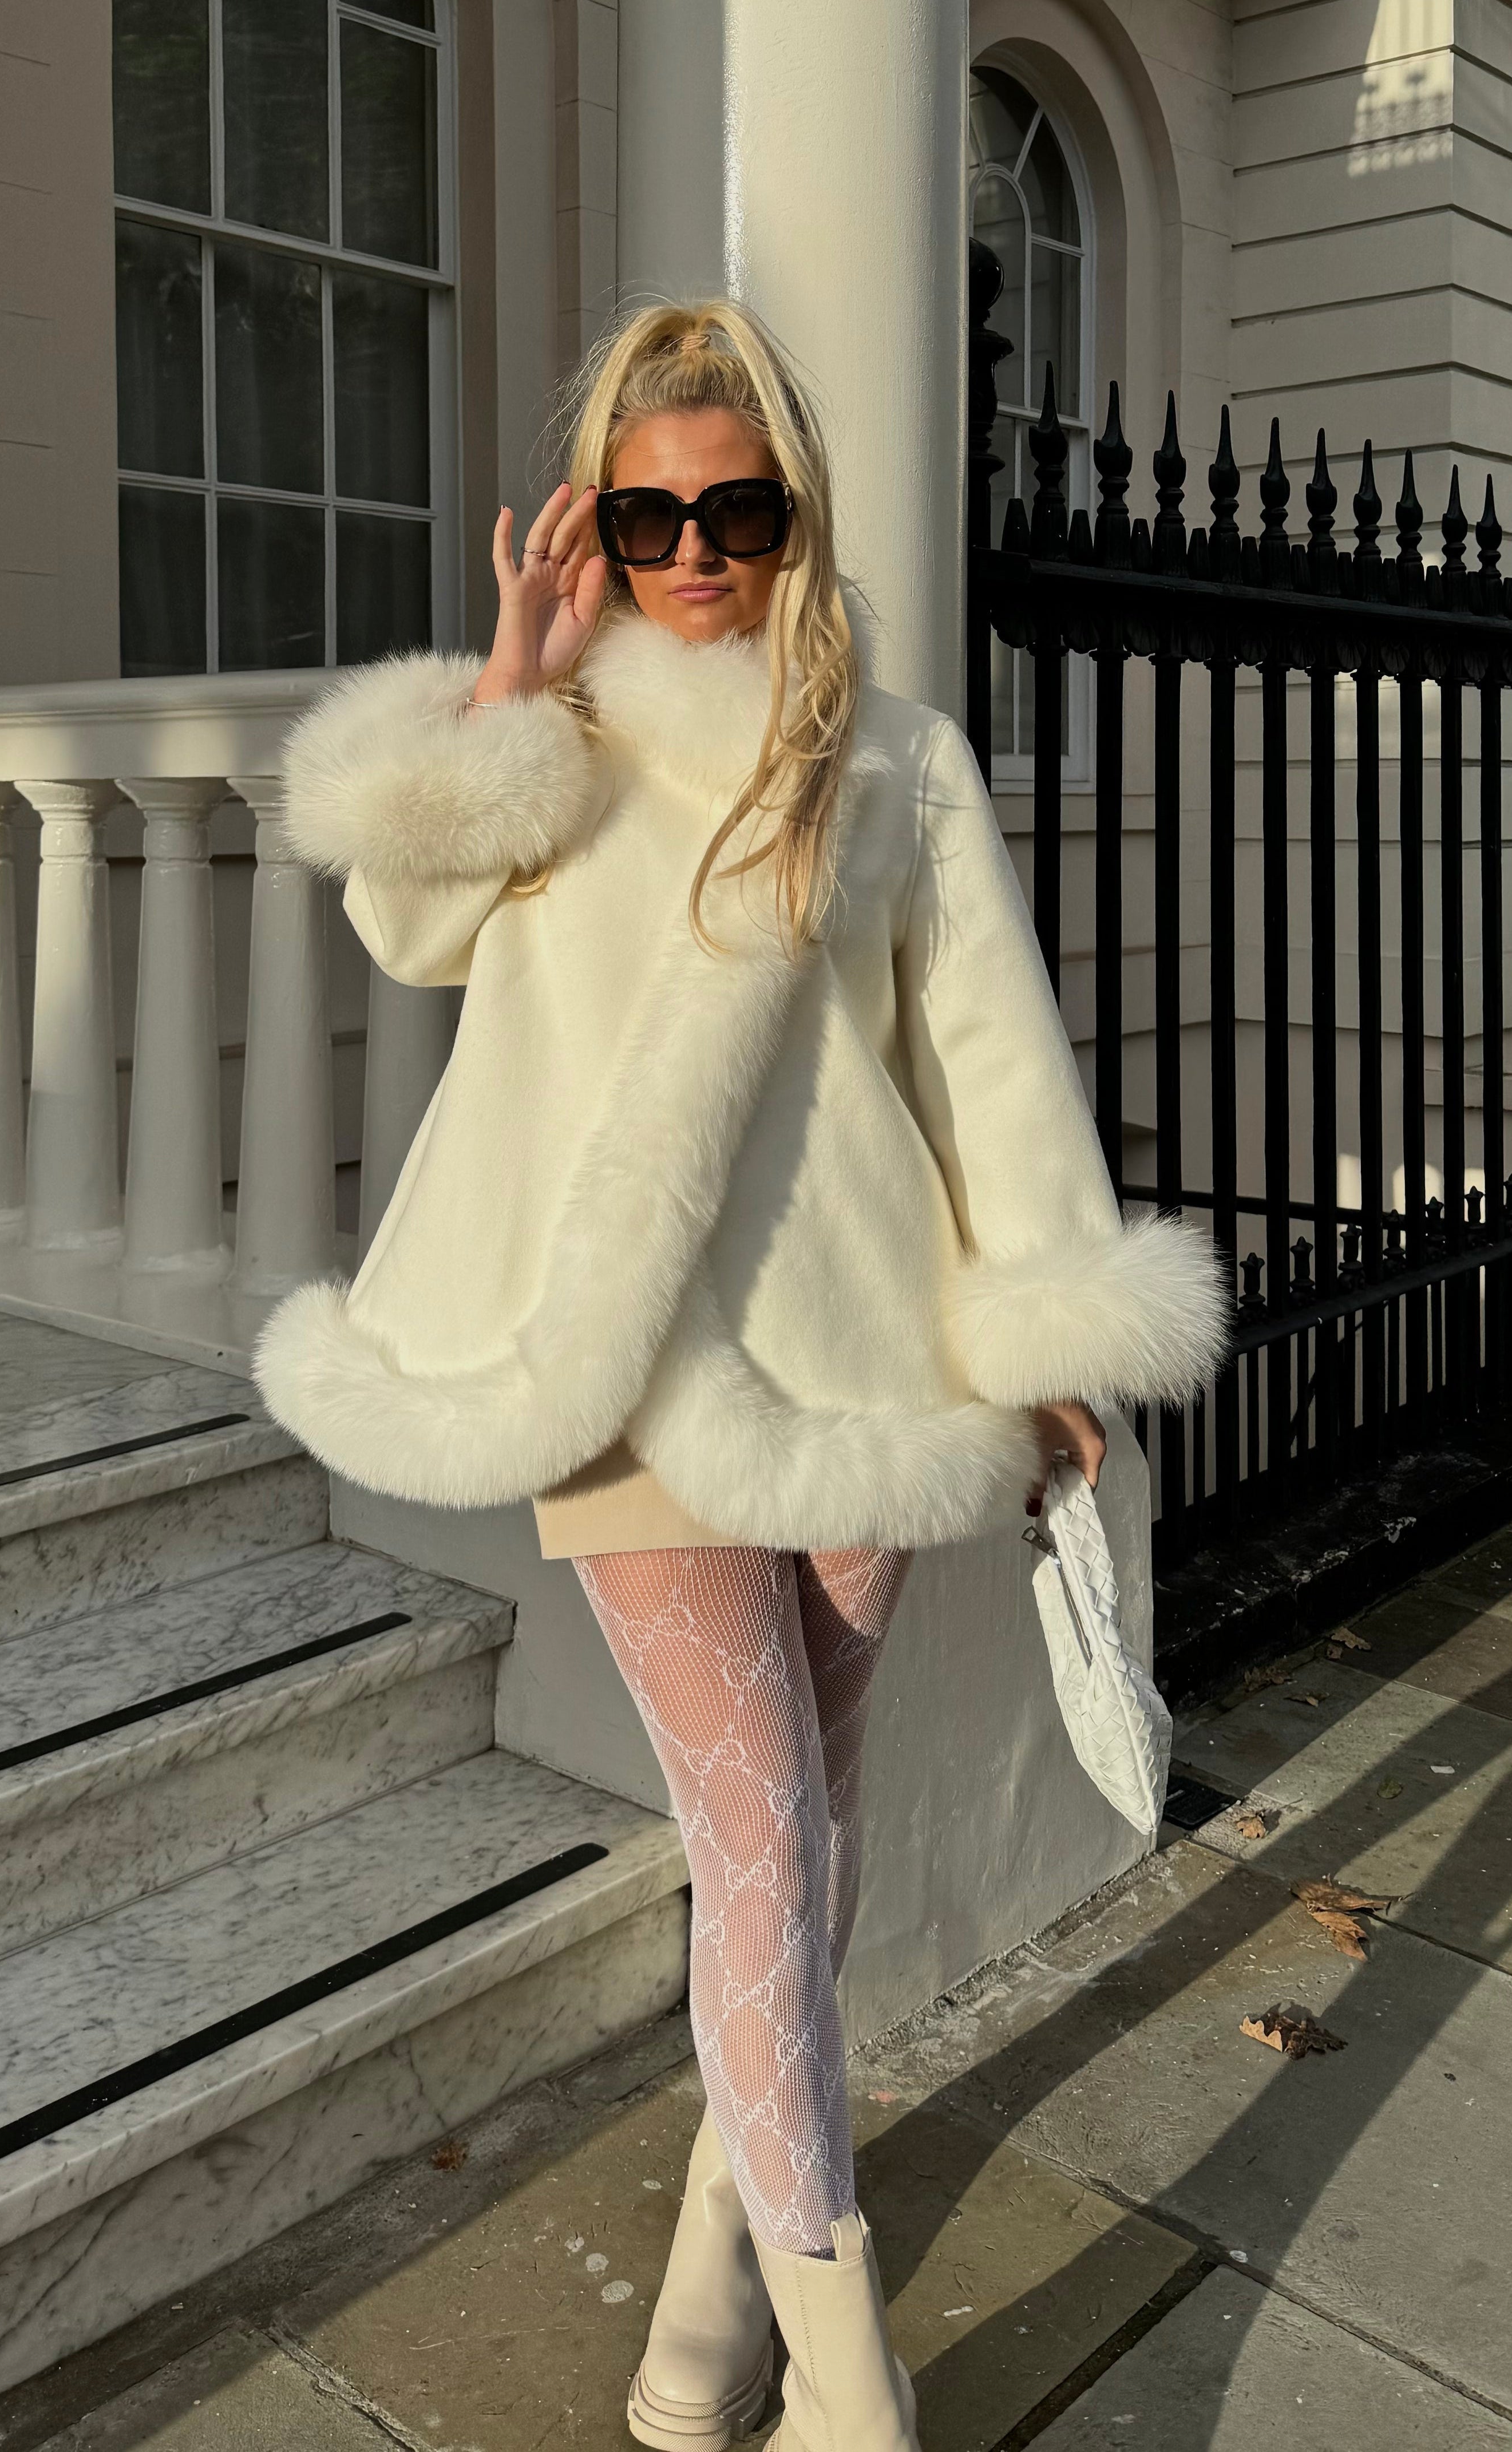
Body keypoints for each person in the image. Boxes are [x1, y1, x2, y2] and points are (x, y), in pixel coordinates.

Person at [255, 299, 1226, 2452]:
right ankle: (853, 2386)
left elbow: (982, 1059)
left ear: (796, 512)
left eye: (738, 508)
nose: (694, 550)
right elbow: (404, 930)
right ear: (595, 524)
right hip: (620, 1368)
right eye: (650, 513)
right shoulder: (555, 739)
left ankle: (707, 2299)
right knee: (766, 1839)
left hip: (859, 1362)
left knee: (807, 1839)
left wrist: (1042, 1327)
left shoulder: (895, 758)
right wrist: (506, 683)